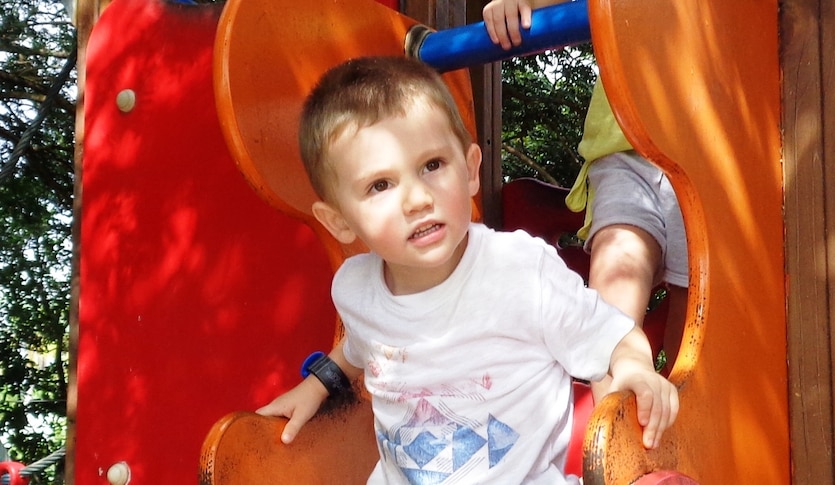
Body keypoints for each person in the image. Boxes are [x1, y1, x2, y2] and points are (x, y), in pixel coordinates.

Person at [257, 55, 678, 484]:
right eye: (380, 185)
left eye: (432, 165)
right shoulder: (356, 289)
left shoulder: (518, 272)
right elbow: (359, 350)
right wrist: (318, 384)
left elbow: (614, 334)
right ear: (339, 221)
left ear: (471, 169)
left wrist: (633, 368)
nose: (417, 198)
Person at [483, 0, 690, 391]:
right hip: (624, 144)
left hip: (708, 151)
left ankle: (690, 422)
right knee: (615, 285)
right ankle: (611, 430)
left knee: (696, 313)